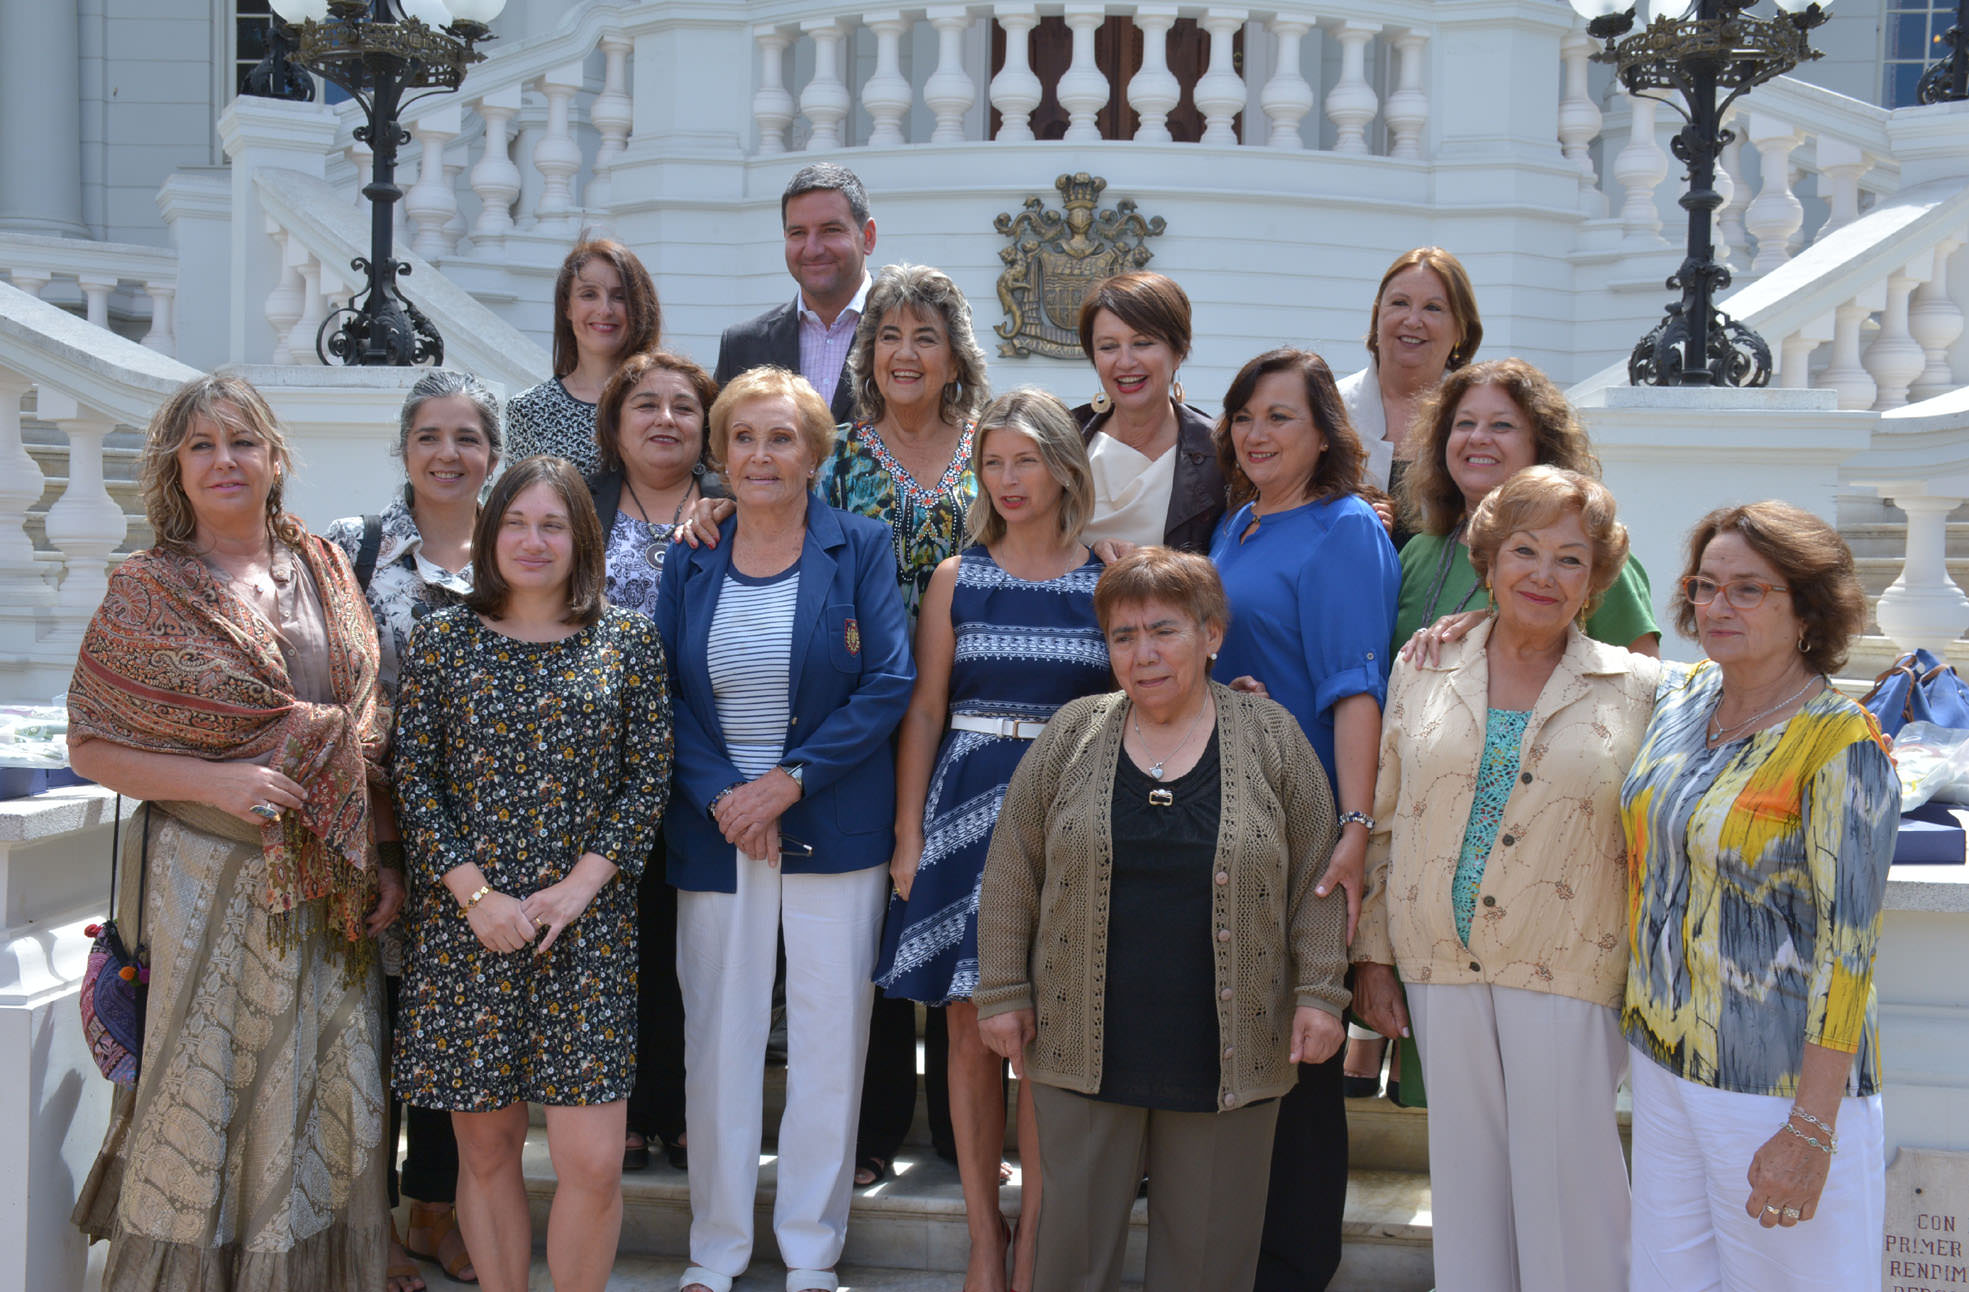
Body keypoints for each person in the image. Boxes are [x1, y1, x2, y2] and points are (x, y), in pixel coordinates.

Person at [66, 372, 398, 1288]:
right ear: (175, 467)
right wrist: (218, 779)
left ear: (274, 457)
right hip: (202, 879)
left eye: (242, 441)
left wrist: (385, 859)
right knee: (202, 1091)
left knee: (325, 1093)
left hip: (326, 885)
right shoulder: (147, 588)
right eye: (202, 445)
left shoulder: (325, 567)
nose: (224, 461)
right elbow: (91, 743)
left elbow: (361, 727)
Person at [975, 548, 1350, 1292]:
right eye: (1122, 636)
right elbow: (1013, 868)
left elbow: (1317, 879)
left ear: (1212, 635)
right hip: (1081, 1045)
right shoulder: (1073, 734)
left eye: (1163, 631)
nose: (1141, 654)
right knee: (1068, 1261)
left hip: (1228, 1051)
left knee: (1209, 1264)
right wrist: (1002, 993)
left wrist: (1319, 993)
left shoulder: (1272, 738)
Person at [1351, 466, 1661, 1292]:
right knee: (1465, 1191)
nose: (1543, 574)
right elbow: (1386, 815)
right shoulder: (1423, 665)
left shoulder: (1641, 688)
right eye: (1523, 551)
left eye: (1570, 559)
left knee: (1571, 1192)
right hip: (1437, 957)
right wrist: (1373, 955)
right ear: (1487, 562)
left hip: (1568, 963)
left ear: (1596, 582)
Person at [656, 367, 914, 1292]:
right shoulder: (689, 556)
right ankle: (714, 1253)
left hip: (829, 824)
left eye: (781, 438)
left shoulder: (862, 545)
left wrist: (786, 785)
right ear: (719, 454)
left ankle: (811, 1253)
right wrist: (733, 795)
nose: (761, 456)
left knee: (827, 1041)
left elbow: (888, 680)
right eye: (743, 438)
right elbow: (665, 695)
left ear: (814, 453)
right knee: (716, 1047)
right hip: (717, 829)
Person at [390, 456, 674, 1292]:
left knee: (592, 1163)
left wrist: (581, 886)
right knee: (485, 1154)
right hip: (466, 930)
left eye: (552, 524)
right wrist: (474, 897)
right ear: (489, 535)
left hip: (585, 932)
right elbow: (415, 779)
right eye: (515, 522)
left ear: (581, 537)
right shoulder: (443, 640)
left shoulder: (625, 640)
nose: (532, 540)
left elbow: (647, 774)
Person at [1373, 356, 1662, 1111]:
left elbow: (1628, 731)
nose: (1477, 438)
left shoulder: (1598, 565)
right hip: (1439, 907)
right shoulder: (1415, 554)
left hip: (1558, 925)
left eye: (1501, 424)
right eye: (1463, 423)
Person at [1622, 502, 1894, 1292]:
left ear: (1806, 608)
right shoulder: (1682, 702)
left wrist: (1810, 1130)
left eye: (1748, 590)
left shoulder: (1839, 745)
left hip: (1775, 1090)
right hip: (1663, 1065)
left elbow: (1850, 953)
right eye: (1705, 586)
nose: (1715, 606)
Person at [874, 388, 1108, 1292]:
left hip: (1066, 820)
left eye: (1026, 460)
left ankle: (1040, 1236)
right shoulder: (953, 578)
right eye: (993, 462)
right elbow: (924, 710)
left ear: (1063, 468)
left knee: (1047, 1028)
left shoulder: (1105, 577)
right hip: (962, 813)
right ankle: (984, 1233)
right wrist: (906, 836)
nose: (1008, 480)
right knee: (967, 1030)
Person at [1202, 347, 1399, 1292]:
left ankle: (1293, 1268)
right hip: (1223, 813)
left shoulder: (1345, 527)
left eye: (1279, 416)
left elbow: (1354, 687)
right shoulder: (1238, 525)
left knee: (1302, 1053)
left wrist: (1354, 826)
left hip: (1302, 817)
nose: (1256, 433)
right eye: (1245, 415)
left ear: (1324, 428)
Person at [325, 368, 504, 1290]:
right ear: (403, 449)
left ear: (492, 454)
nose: (447, 454)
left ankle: (435, 1209)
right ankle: (374, 1224)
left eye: (466, 437)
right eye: (429, 436)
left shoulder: (516, 548)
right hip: (377, 828)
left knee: (455, 1030)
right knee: (373, 1028)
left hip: (487, 837)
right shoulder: (351, 550)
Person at [588, 349, 724, 1178]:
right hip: (602, 762)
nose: (665, 418)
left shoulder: (735, 506)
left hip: (707, 757)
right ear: (614, 423)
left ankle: (684, 1114)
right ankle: (634, 1111)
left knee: (693, 947)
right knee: (624, 944)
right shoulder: (580, 504)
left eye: (682, 405)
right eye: (645, 404)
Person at [1072, 271, 1227, 552]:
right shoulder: (1062, 440)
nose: (1126, 361)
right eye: (1108, 347)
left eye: (1143, 343)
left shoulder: (1220, 452)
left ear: (1179, 351)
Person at [715, 163, 876, 424]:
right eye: (798, 233)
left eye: (830, 230)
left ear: (868, 237)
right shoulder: (742, 346)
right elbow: (720, 452)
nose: (812, 249)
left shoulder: (906, 335)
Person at [1334, 246, 1483, 498]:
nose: (1413, 321)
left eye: (1433, 308)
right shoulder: (1332, 407)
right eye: (1400, 303)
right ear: (1377, 316)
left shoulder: (1482, 417)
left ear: (1461, 328)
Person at [506, 238, 662, 473]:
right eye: (589, 294)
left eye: (620, 297)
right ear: (566, 306)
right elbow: (519, 503)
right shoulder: (530, 410)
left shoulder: (673, 403)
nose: (605, 310)